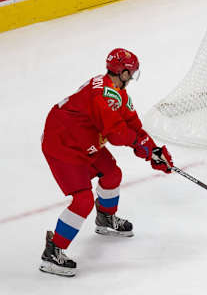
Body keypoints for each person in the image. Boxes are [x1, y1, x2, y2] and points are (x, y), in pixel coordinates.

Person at [39, 48, 174, 277]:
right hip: (63, 143)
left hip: (85, 139)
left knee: (112, 174)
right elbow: (118, 134)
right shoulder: (102, 96)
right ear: (122, 72)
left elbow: (133, 127)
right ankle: (53, 251)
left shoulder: (117, 94)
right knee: (82, 201)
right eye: (130, 73)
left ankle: (105, 219)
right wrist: (142, 149)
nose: (132, 78)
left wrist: (154, 151)